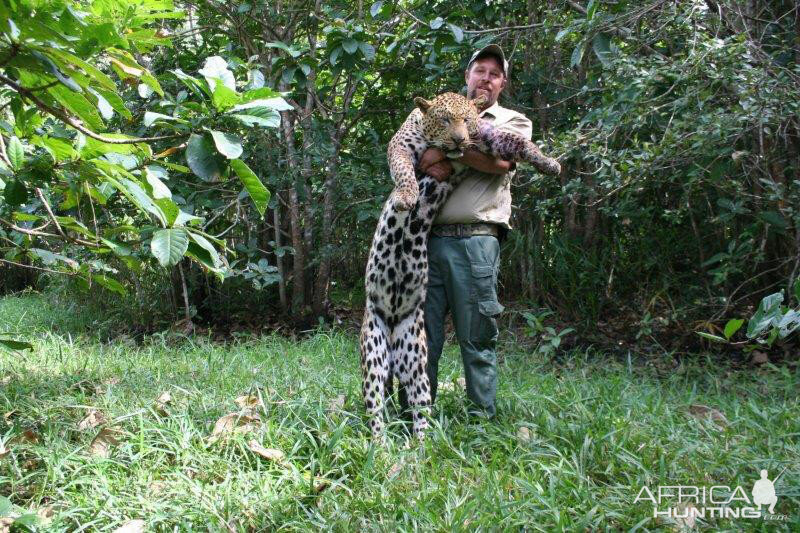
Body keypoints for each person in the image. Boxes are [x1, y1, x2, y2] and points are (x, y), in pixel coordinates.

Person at [416, 44, 534, 418]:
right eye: (480, 70)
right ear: (467, 77)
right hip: (427, 240)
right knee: (423, 337)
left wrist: (450, 146)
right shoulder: (438, 113)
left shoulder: (513, 122)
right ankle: (415, 414)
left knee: (477, 336)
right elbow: (420, 159)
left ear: (503, 83)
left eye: (494, 74)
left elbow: (500, 163)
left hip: (476, 240)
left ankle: (481, 419)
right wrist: (461, 146)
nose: (486, 78)